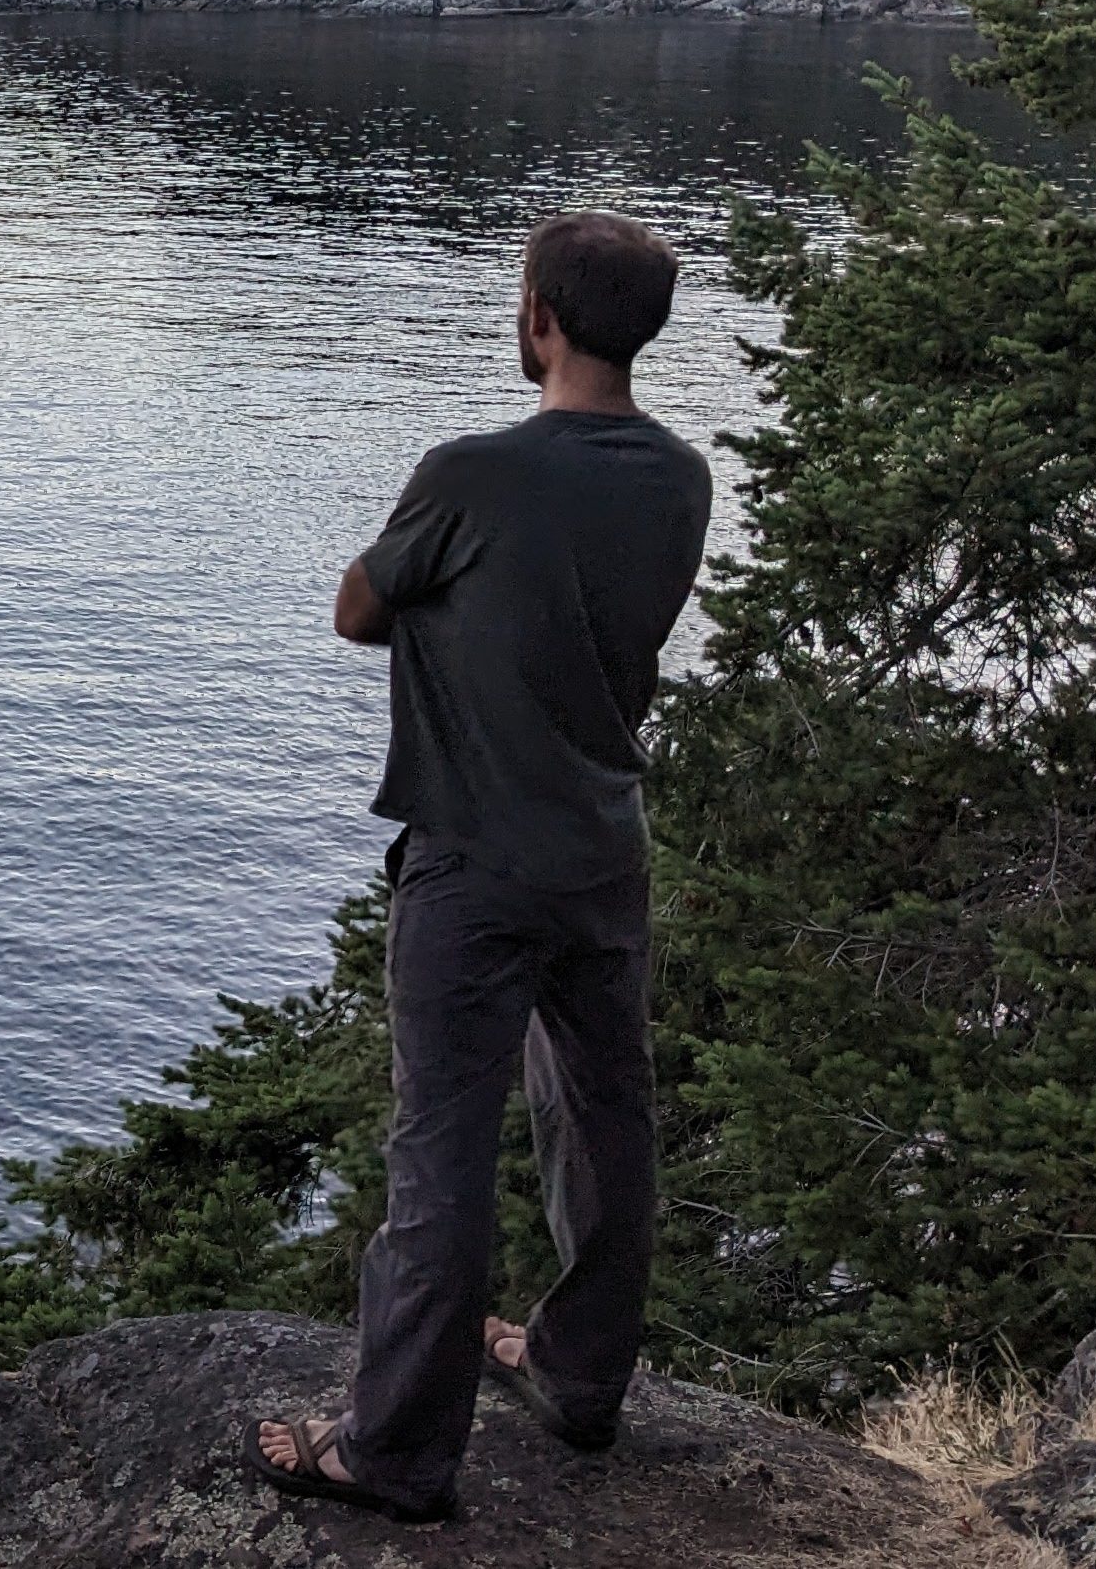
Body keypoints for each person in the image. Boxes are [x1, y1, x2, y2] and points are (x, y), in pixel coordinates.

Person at [250, 211, 716, 1524]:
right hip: (603, 852)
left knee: (439, 1157)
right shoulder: (682, 479)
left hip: (474, 864)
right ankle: (577, 1376)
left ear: (540, 321)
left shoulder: (472, 474)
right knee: (606, 1120)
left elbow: (356, 609)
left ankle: (393, 1453)